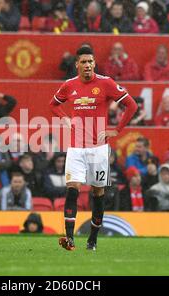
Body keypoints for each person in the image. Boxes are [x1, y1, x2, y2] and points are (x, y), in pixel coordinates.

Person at [49, 46, 138, 251]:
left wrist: (117, 130)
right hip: (76, 148)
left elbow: (131, 105)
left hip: (98, 149)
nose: (87, 65)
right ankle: (69, 239)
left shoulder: (106, 83)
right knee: (73, 190)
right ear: (77, 65)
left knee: (98, 193)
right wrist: (65, 119)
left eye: (90, 62)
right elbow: (53, 104)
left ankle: (93, 240)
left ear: (94, 63)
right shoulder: (69, 85)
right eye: (83, 62)